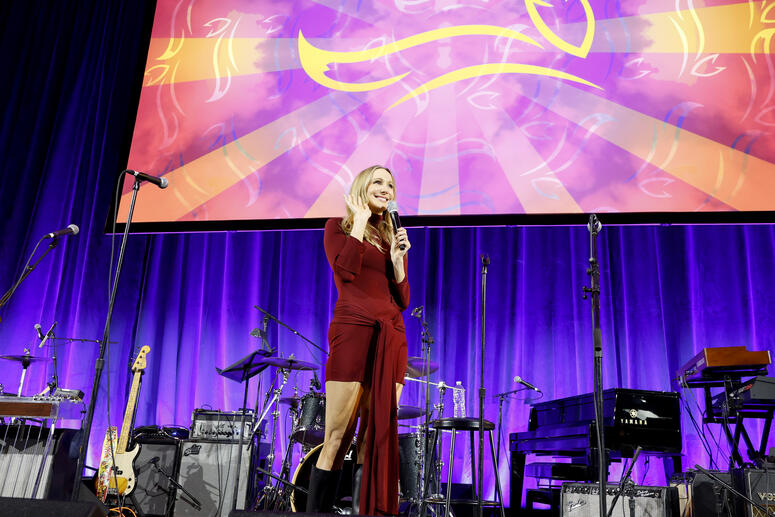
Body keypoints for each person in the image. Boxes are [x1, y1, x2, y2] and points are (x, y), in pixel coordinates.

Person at [306, 165, 411, 515]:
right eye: (379, 182)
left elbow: (403, 299)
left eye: (391, 185)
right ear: (363, 186)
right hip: (354, 330)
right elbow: (346, 270)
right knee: (338, 436)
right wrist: (362, 220)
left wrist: (398, 263)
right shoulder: (338, 227)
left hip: (391, 334)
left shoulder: (391, 236)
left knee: (374, 436)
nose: (386, 188)